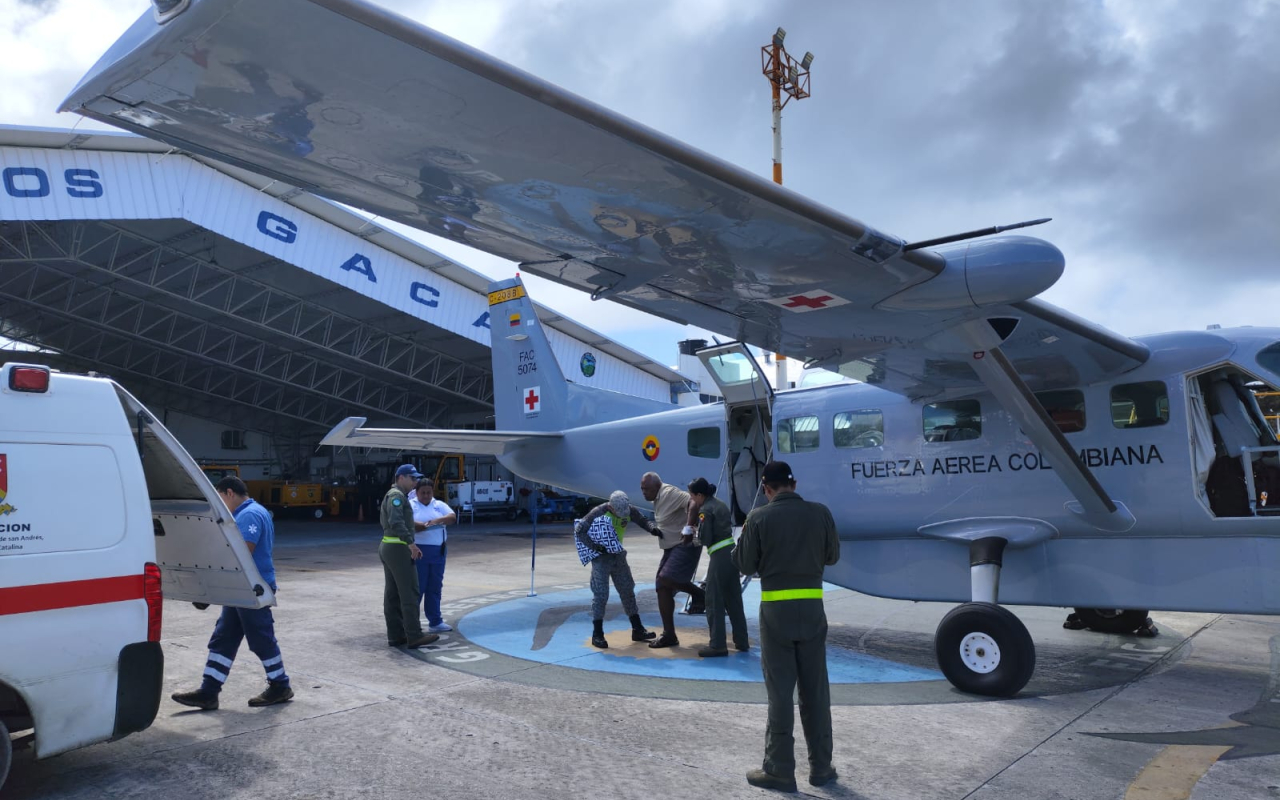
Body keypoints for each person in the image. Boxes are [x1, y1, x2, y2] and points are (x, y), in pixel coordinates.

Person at [733, 461, 840, 792]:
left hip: (776, 613)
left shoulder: (759, 518)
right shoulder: (820, 513)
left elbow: (745, 564)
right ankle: (821, 768)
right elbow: (832, 556)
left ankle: (779, 769)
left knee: (780, 693)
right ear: (793, 484)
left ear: (766, 489)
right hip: (812, 611)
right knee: (816, 691)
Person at [171, 476, 293, 710]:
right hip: (240, 587)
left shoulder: (249, 515)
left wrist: (208, 587)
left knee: (261, 639)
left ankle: (280, 685)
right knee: (224, 638)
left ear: (229, 493)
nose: (220, 504)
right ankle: (209, 691)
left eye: (220, 498)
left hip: (251, 588)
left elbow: (239, 553)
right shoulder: (249, 512)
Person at [574, 490, 655, 648]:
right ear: (611, 507)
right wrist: (595, 547)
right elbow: (579, 530)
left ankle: (637, 629)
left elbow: (642, 520)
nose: (622, 515)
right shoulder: (598, 512)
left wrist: (652, 529)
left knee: (627, 590)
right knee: (601, 595)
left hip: (618, 556)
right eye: (619, 513)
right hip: (601, 559)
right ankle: (597, 634)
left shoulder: (628, 509)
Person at [640, 471, 706, 649]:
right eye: (642, 489)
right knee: (662, 587)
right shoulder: (656, 499)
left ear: (657, 486)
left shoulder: (669, 492)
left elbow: (693, 503)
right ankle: (669, 635)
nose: (643, 492)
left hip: (685, 544)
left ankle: (700, 595)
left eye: (646, 489)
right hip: (671, 547)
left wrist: (688, 528)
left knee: (665, 578)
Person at [380, 465, 439, 649]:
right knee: (410, 592)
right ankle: (414, 635)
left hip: (389, 546)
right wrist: (411, 544)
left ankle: (396, 635)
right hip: (398, 548)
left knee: (393, 594)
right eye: (412, 479)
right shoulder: (397, 496)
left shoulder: (395, 495)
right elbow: (396, 522)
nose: (415, 483)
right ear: (401, 477)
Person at [688, 477, 748, 657]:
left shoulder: (705, 510)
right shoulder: (720, 503)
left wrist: (693, 534)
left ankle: (718, 644)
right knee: (734, 600)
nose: (692, 500)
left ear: (700, 495)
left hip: (719, 556)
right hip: (731, 554)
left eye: (692, 497)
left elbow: (705, 539)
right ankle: (742, 641)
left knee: (713, 600)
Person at [410, 479, 456, 633]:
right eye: (422, 492)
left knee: (434, 587)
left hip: (438, 552)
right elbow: (407, 523)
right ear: (416, 492)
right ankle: (411, 623)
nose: (426, 495)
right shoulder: (411, 505)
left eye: (429, 492)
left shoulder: (439, 505)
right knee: (418, 587)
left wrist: (437, 520)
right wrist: (423, 526)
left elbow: (452, 517)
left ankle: (435, 621)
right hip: (419, 552)